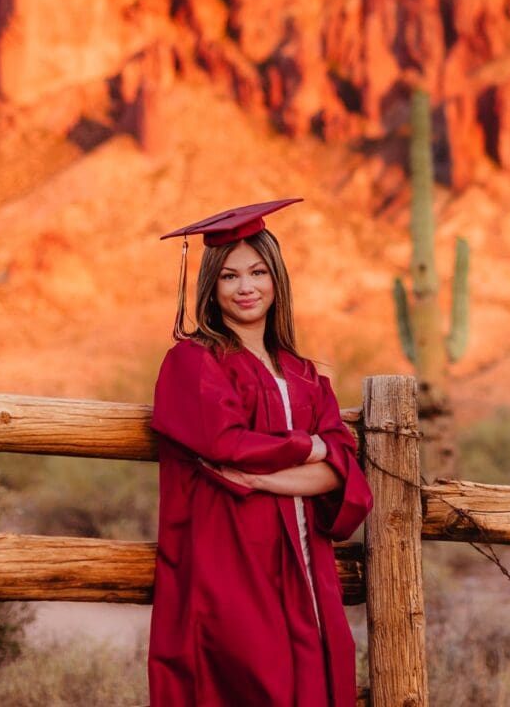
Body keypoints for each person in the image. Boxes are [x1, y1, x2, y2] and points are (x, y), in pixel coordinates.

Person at [148, 198, 373, 706]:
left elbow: (342, 469)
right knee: (244, 683)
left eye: (257, 272)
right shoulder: (194, 363)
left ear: (276, 279)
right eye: (229, 277)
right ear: (211, 286)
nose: (246, 287)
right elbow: (226, 448)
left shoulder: (304, 374)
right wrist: (309, 449)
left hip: (306, 569)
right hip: (228, 564)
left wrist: (267, 478)